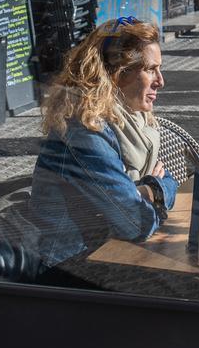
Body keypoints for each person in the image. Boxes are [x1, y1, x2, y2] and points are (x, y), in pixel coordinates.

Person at [28, 16, 178, 269]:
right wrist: (155, 190)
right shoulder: (84, 129)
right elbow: (135, 223)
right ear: (118, 73)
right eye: (150, 69)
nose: (160, 81)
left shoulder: (133, 120)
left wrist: (148, 192)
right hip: (69, 269)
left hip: (109, 253)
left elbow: (168, 180)